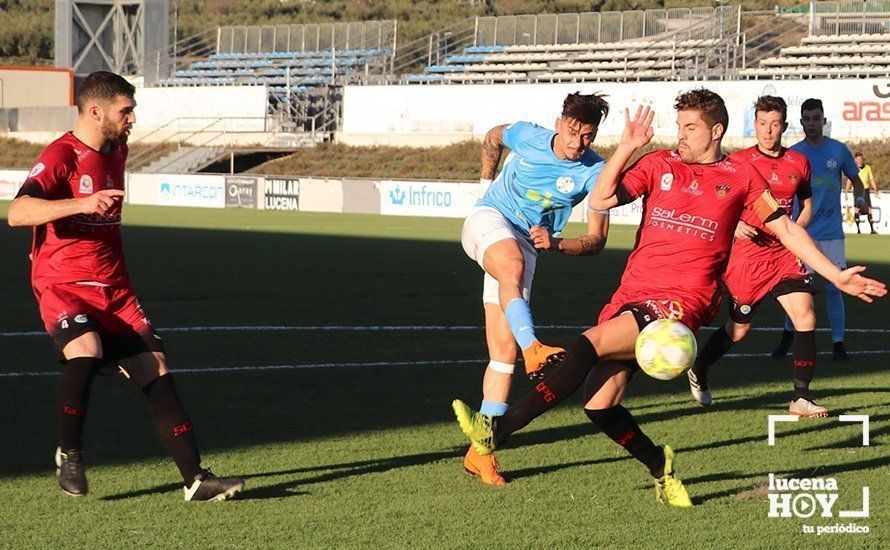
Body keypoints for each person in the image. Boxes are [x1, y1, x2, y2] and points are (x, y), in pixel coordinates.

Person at [452, 90, 886, 507]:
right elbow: (602, 196)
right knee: (599, 406)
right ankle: (662, 467)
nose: (681, 135)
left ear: (716, 132)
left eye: (691, 127)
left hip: (682, 301)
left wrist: (835, 276)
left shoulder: (740, 176)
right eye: (679, 126)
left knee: (587, 344)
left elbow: (787, 229)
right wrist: (625, 147)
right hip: (631, 291)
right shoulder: (660, 163)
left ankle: (495, 432)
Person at [7, 71, 244, 501]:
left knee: (155, 366)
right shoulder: (61, 154)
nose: (133, 117)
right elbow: (18, 212)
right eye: (126, 110)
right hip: (64, 283)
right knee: (87, 350)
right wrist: (81, 203)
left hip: (115, 288)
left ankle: (196, 481)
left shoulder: (117, 150)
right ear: (95, 111)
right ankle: (70, 453)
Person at [459, 92, 611, 485]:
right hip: (490, 219)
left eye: (588, 136)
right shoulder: (527, 134)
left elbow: (597, 241)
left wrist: (558, 243)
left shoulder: (595, 172)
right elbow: (493, 136)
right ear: (560, 122)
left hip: (527, 244)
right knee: (512, 265)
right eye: (573, 131)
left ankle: (482, 453)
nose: (579, 143)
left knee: (502, 356)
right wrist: (484, 183)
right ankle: (535, 347)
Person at [687, 95, 828, 417]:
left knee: (805, 315)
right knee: (738, 330)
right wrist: (734, 223)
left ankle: (801, 398)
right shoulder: (737, 162)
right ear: (754, 126)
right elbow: (714, 202)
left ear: (785, 126)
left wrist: (794, 230)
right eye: (762, 123)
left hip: (784, 255)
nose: (768, 130)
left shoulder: (799, 162)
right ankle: (700, 367)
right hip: (747, 258)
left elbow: (806, 203)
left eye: (775, 124)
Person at [771, 99, 866, 362]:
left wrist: (860, 200)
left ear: (823, 121)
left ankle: (838, 344)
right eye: (807, 119)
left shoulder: (838, 151)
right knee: (799, 290)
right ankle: (787, 336)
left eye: (816, 118)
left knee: (836, 287)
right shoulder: (794, 154)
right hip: (802, 234)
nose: (812, 123)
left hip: (833, 234)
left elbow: (856, 181)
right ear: (801, 122)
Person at [845, 152, 879, 235]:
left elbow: (871, 179)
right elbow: (849, 180)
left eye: (861, 159)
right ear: (855, 160)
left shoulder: (867, 168)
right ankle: (858, 230)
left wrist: (875, 189)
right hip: (857, 191)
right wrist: (846, 191)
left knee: (869, 209)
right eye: (858, 159)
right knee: (857, 209)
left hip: (866, 190)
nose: (859, 161)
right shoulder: (852, 169)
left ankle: (872, 230)